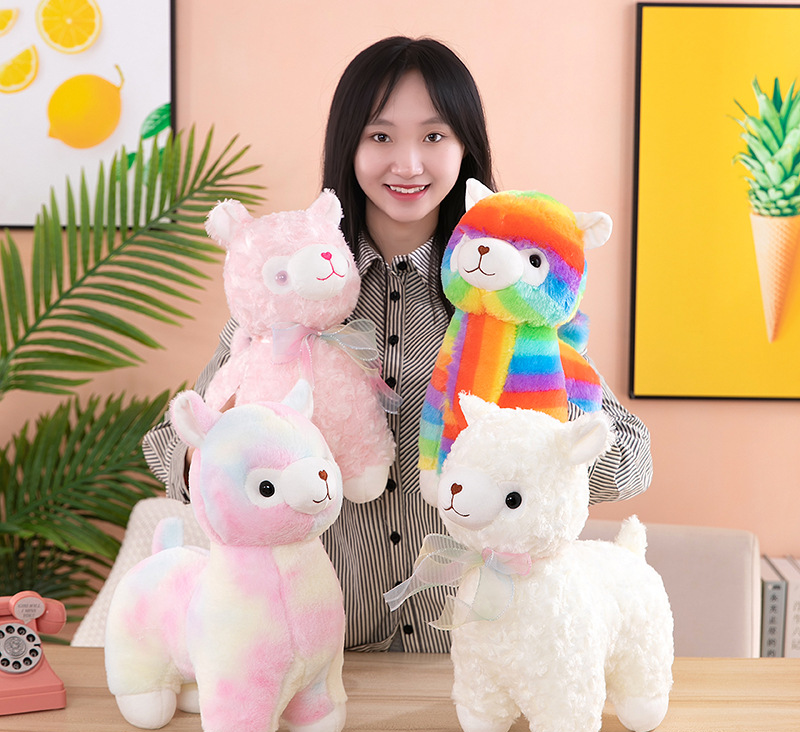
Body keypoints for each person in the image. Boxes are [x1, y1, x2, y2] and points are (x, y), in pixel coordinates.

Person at [143, 36, 652, 654]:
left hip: (481, 656)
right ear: (348, 147)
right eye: (380, 136)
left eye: (434, 136)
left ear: (465, 148)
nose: (408, 164)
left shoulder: (512, 294)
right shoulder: (290, 287)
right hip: (318, 654)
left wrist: (543, 431)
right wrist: (233, 443)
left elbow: (632, 461)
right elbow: (169, 449)